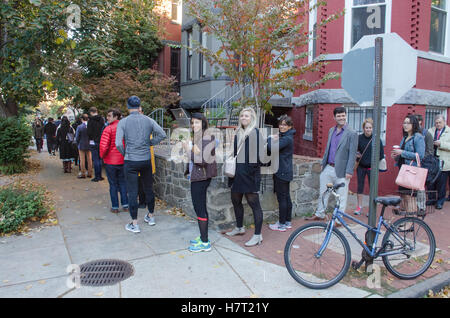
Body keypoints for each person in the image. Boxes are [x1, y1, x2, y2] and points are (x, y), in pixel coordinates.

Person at [115, 96, 166, 234]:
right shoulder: (148, 120)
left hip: (131, 160)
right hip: (145, 159)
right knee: (148, 188)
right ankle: (151, 217)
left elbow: (118, 143)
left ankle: (135, 223)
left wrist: (125, 153)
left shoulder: (123, 122)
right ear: (139, 107)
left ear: (128, 107)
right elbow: (162, 134)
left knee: (132, 192)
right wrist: (151, 142)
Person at [305, 107, 358, 224]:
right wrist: (323, 164)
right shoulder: (331, 131)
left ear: (346, 115)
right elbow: (328, 149)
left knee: (341, 197)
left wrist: (349, 171)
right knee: (323, 192)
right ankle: (320, 214)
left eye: (343, 115)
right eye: (339, 116)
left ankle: (338, 220)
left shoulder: (352, 133)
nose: (341, 118)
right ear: (334, 117)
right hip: (328, 167)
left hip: (343, 171)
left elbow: (352, 154)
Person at [225, 107, 265, 246]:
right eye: (242, 115)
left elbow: (261, 157)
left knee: (254, 204)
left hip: (249, 176)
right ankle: (239, 227)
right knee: (235, 200)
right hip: (237, 174)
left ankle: (258, 235)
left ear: (252, 118)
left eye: (246, 116)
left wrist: (249, 169)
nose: (243, 118)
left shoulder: (255, 133)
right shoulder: (238, 133)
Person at [182, 113, 217, 252]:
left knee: (200, 208)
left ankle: (205, 242)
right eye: (192, 123)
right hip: (197, 177)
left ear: (203, 123)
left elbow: (201, 161)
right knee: (199, 208)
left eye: (197, 122)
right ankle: (203, 237)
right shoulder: (199, 137)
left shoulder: (207, 138)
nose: (194, 125)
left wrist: (187, 150)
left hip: (201, 178)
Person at [267, 115, 295, 232]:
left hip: (282, 172)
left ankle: (282, 224)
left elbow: (271, 148)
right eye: (281, 124)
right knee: (286, 197)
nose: (282, 126)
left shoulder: (287, 138)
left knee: (282, 198)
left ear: (290, 126)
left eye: (285, 125)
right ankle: (287, 221)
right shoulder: (286, 136)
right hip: (285, 171)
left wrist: (269, 138)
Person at [391, 115, 425, 211]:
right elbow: (402, 154)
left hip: (412, 172)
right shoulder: (405, 137)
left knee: (410, 197)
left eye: (408, 123)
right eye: (404, 123)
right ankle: (407, 220)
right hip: (403, 171)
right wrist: (396, 156)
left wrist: (402, 152)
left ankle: (411, 222)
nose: (405, 125)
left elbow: (420, 155)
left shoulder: (418, 137)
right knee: (404, 196)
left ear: (413, 124)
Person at [100, 109, 129, 214]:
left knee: (113, 184)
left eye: (109, 116)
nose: (107, 118)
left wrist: (102, 156)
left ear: (116, 116)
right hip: (123, 159)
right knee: (123, 183)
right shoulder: (124, 128)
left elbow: (104, 146)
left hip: (110, 161)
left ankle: (115, 206)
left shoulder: (108, 129)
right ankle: (126, 205)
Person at [354, 118, 385, 215]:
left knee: (372, 188)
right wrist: (357, 154)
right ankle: (359, 207)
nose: (368, 129)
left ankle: (371, 209)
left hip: (372, 168)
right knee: (360, 187)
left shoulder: (377, 140)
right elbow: (355, 150)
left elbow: (381, 154)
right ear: (363, 128)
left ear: (373, 128)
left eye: (370, 128)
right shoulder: (359, 138)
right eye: (366, 128)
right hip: (361, 167)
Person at [427, 114, 450, 209]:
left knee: (441, 183)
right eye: (436, 123)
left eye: (440, 122)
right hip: (432, 161)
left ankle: (440, 201)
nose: (438, 124)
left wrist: (441, 144)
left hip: (444, 161)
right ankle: (431, 199)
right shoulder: (430, 131)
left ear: (444, 122)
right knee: (431, 181)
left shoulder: (449, 132)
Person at [87, 107, 105, 182]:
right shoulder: (102, 120)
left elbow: (89, 132)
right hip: (101, 140)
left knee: (95, 159)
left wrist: (91, 138)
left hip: (93, 141)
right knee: (100, 158)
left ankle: (97, 176)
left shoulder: (90, 120)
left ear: (91, 112)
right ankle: (100, 175)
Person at [75, 114, 93, 179]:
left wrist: (77, 143)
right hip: (89, 144)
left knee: (82, 159)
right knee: (89, 159)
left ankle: (83, 173)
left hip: (81, 144)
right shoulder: (90, 126)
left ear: (82, 119)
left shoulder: (79, 127)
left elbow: (77, 137)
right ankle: (90, 173)